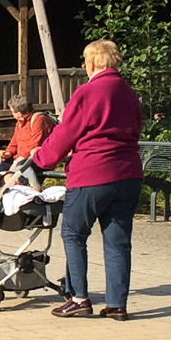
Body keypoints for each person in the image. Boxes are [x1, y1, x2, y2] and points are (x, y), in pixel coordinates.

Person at [30, 40, 143, 320]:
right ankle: (117, 304)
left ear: (91, 63)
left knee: (73, 234)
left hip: (92, 174)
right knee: (118, 241)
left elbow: (66, 132)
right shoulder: (129, 93)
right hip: (128, 174)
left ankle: (79, 298)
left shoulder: (88, 92)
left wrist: (41, 158)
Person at [0, 93, 55, 198]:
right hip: (21, 158)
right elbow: (14, 142)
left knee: (21, 166)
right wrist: (7, 153)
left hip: (37, 159)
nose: (11, 113)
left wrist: (16, 162)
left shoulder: (39, 120)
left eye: (12, 111)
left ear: (19, 113)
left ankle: (21, 192)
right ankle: (4, 191)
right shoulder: (19, 123)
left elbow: (34, 146)